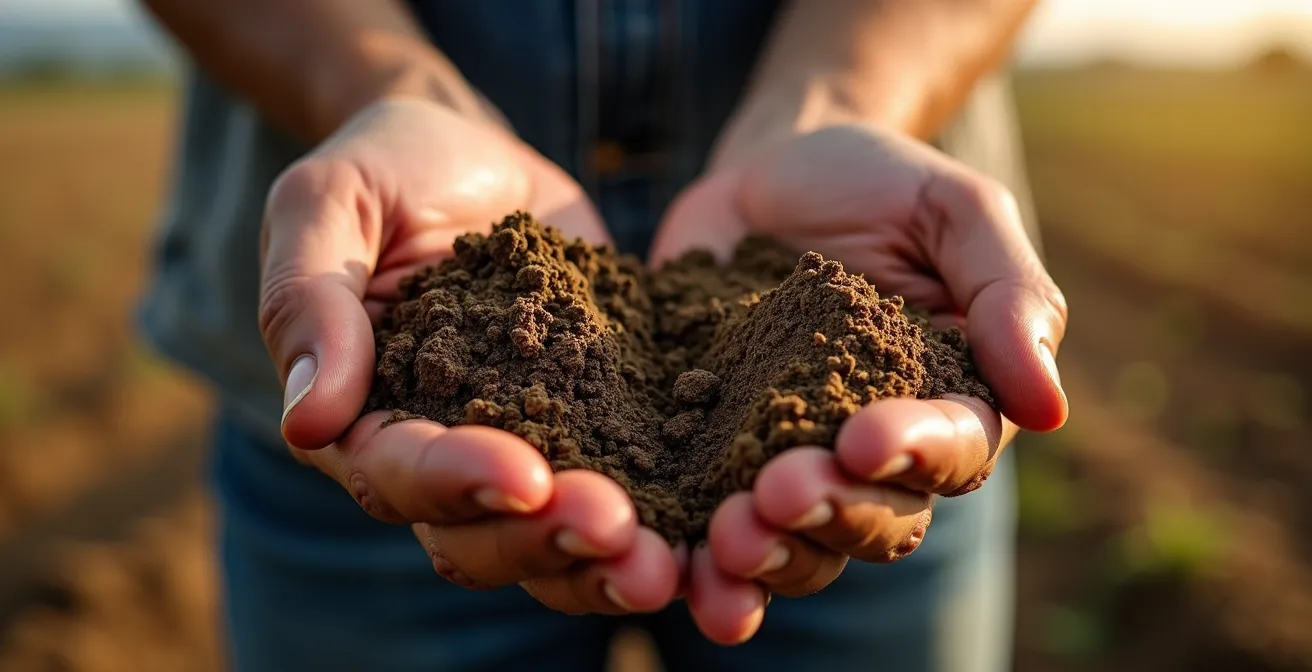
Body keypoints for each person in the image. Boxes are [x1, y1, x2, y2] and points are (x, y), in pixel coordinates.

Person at [136, 1, 1068, 670]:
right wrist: (379, 83)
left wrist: (844, 94)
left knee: (859, 490)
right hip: (388, 349)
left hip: (866, 417)